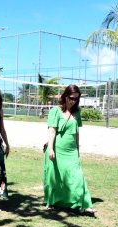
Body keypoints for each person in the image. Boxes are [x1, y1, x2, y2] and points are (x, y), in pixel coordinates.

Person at [43, 84, 95, 216]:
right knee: (55, 178)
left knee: (77, 176)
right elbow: (52, 131)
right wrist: (50, 149)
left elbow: (77, 133)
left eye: (76, 99)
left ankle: (85, 204)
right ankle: (52, 202)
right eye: (71, 98)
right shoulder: (56, 111)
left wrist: (78, 149)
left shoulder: (77, 112)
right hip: (57, 149)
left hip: (71, 151)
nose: (73, 101)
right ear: (65, 96)